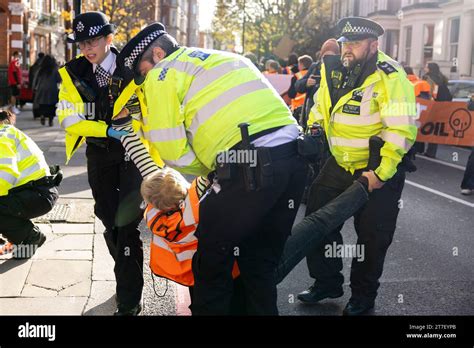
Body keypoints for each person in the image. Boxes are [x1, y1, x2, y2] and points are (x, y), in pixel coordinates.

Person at [117, 22, 307, 315]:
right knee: (259, 264)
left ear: (157, 54)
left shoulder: (162, 73)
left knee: (211, 261)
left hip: (248, 169)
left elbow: (170, 149)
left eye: (141, 71)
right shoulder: (227, 58)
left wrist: (210, 171)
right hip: (293, 160)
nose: (144, 79)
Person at [298, 17, 418, 315]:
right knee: (317, 220)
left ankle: (363, 297)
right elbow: (320, 105)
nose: (347, 49)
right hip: (339, 163)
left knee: (372, 237)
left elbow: (401, 130)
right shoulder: (335, 68)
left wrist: (380, 173)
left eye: (354, 44)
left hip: (378, 168)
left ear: (373, 45)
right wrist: (314, 130)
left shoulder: (391, 76)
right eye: (344, 44)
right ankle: (327, 282)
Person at [56, 11, 153, 316]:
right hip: (98, 153)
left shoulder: (134, 67)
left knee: (126, 227)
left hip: (131, 152)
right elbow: (69, 119)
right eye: (82, 42)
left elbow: (152, 107)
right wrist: (105, 129)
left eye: (93, 40)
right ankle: (127, 275)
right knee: (108, 220)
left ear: (109, 39)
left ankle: (129, 298)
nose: (86, 48)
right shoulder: (72, 74)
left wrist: (133, 117)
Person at [0, 109, 61, 259]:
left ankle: (31, 236)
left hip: (38, 194)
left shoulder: (2, 136)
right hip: (38, 192)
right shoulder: (7, 131)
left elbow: (7, 174)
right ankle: (18, 236)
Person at [296, 39, 340, 129]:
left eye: (331, 56)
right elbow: (298, 86)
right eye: (325, 56)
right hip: (310, 117)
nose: (327, 60)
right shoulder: (315, 67)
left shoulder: (340, 69)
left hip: (329, 120)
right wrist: (306, 83)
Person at [421, 62, 453, 158]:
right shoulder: (441, 79)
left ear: (430, 69)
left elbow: (428, 93)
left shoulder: (428, 79)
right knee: (435, 129)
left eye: (426, 66)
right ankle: (431, 151)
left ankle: (419, 148)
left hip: (430, 106)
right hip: (440, 107)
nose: (424, 67)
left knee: (422, 126)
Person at [34, 55, 61, 127]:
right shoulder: (55, 69)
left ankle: (42, 115)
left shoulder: (41, 69)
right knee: (51, 106)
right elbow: (59, 79)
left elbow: (36, 79)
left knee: (42, 104)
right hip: (52, 89)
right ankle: (50, 120)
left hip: (41, 89)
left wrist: (34, 87)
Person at [29, 52, 45, 120]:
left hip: (35, 86)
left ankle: (36, 114)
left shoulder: (34, 66)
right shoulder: (44, 66)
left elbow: (30, 77)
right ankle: (42, 113)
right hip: (42, 85)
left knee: (35, 100)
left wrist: (31, 85)